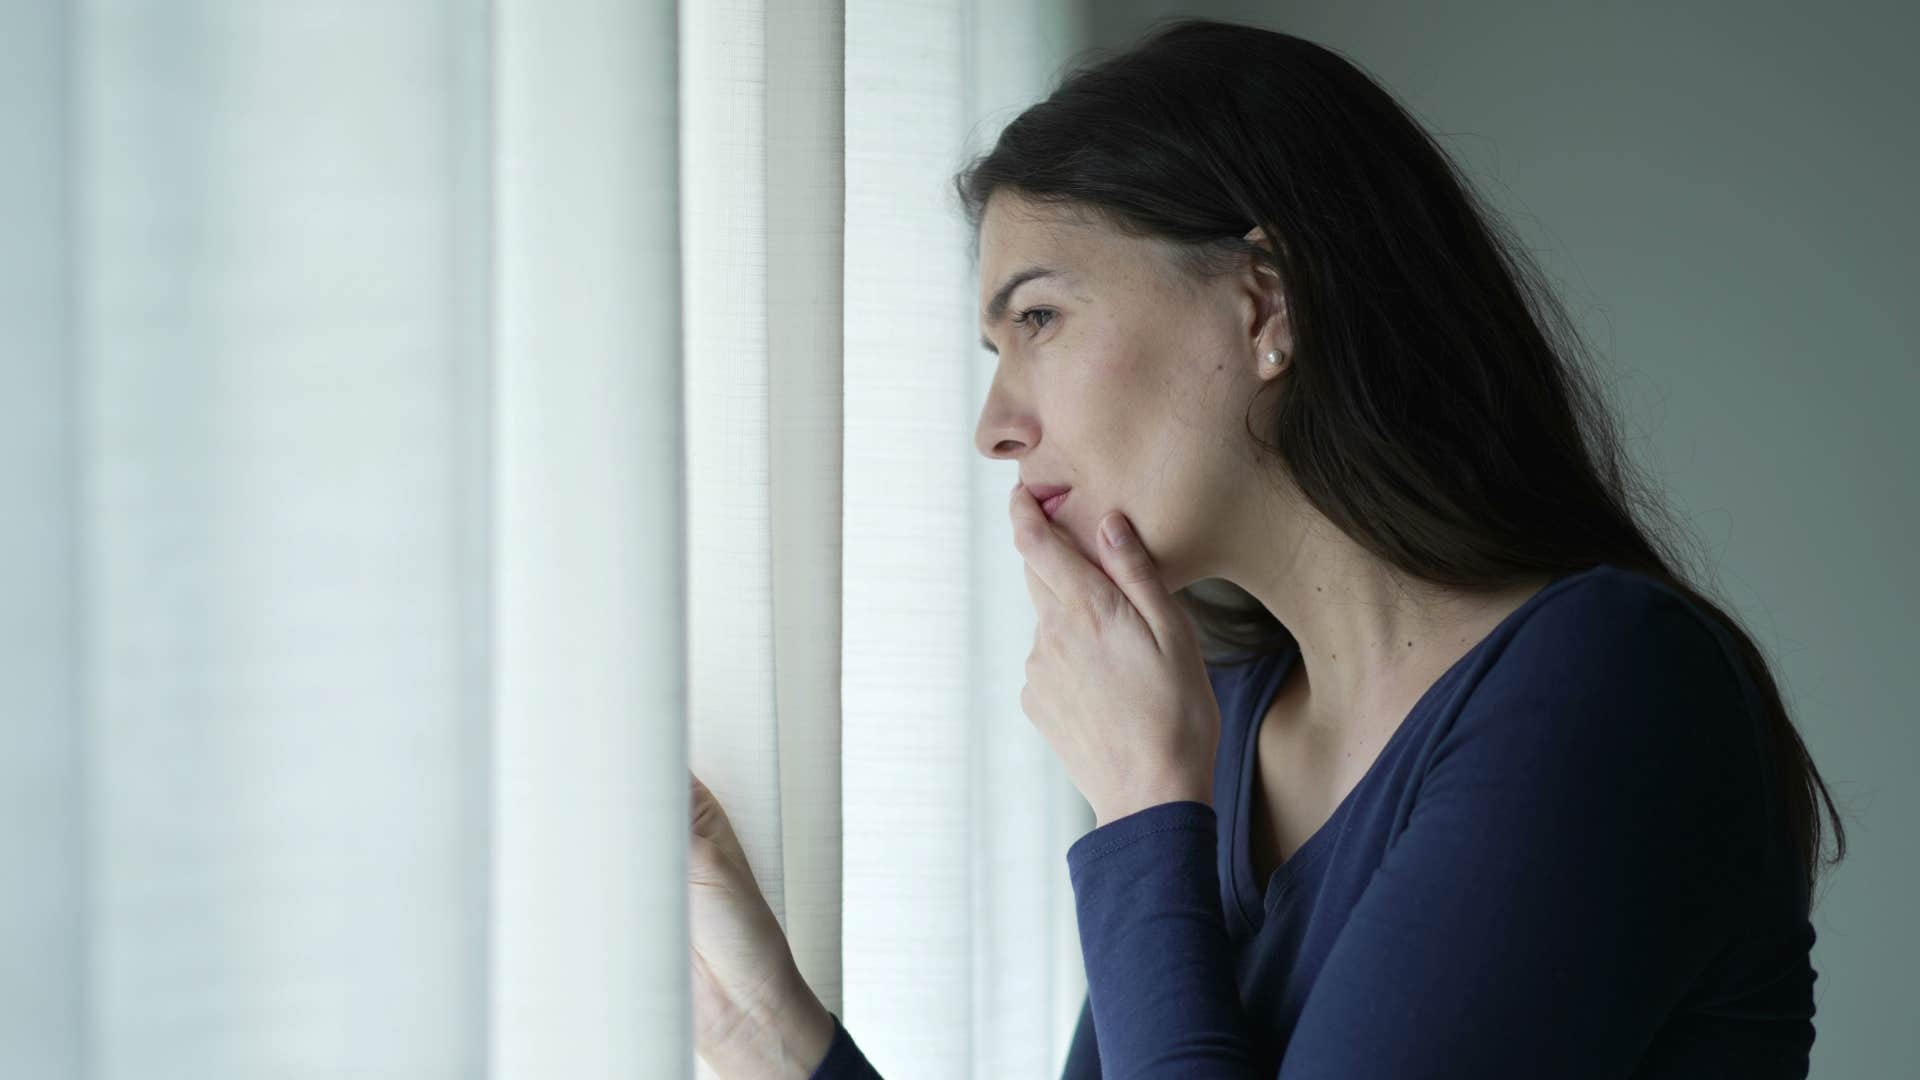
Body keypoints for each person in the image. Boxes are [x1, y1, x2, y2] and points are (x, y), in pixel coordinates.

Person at [689, 16, 1846, 1079]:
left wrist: (1145, 808)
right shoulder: (1232, 724)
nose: (996, 425)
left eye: (1037, 317)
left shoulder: (1612, 684)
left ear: (1262, 306)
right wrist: (763, 1026)